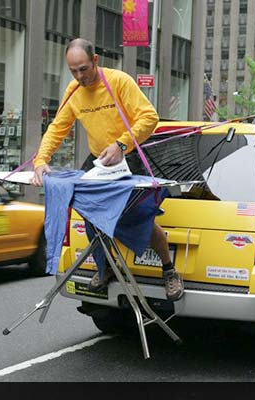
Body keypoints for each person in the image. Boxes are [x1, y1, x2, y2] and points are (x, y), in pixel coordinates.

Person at [29, 38, 183, 302]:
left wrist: (121, 145)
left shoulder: (119, 81)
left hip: (128, 154)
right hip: (98, 159)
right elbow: (57, 128)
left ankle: (169, 270)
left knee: (141, 217)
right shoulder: (73, 90)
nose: (80, 76)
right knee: (89, 213)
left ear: (96, 61)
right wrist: (40, 160)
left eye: (84, 69)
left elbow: (149, 117)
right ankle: (106, 267)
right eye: (73, 71)